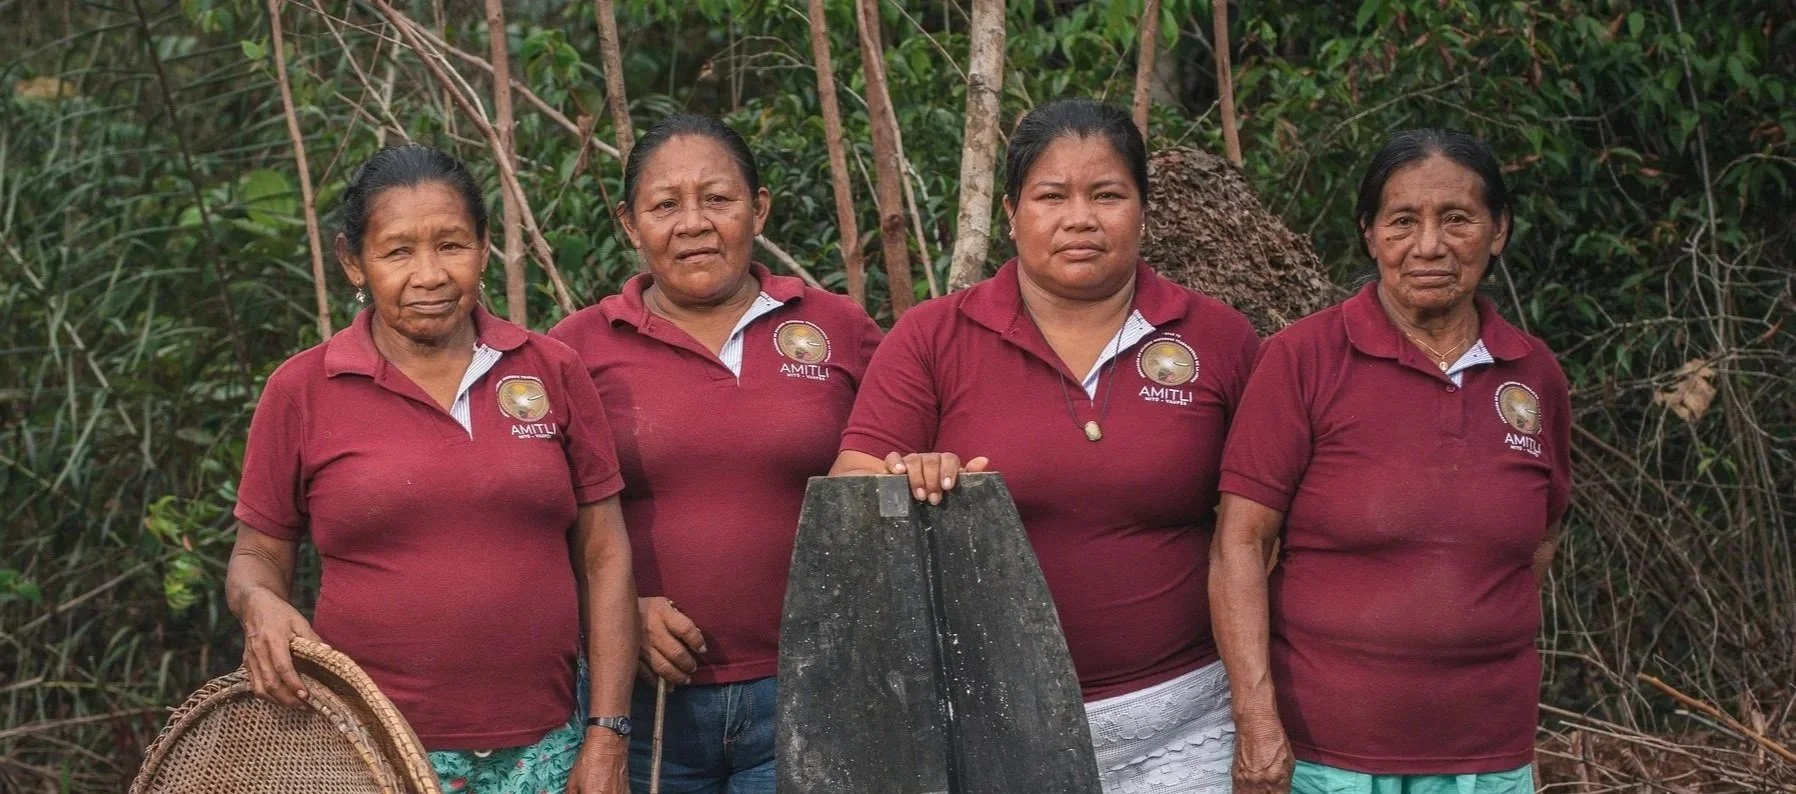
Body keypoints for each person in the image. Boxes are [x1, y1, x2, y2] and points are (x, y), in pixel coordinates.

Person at [831, 98, 1262, 793]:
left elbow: (1266, 524)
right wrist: (905, 478)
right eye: (1051, 196)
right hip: (991, 726)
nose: (1080, 218)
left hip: (1187, 728)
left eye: (1108, 195)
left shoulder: (1218, 339)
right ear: (1011, 212)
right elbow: (850, 495)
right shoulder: (935, 336)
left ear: (1144, 208)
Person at [225, 144, 637, 794]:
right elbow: (257, 556)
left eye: (451, 245)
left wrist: (608, 733)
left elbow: (605, 555)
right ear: (352, 261)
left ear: (482, 246)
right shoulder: (301, 390)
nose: (429, 275)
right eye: (396, 252)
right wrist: (260, 606)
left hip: (548, 752)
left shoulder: (551, 370)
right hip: (368, 755)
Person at [1210, 128, 1571, 794]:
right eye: (1403, 221)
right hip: (1329, 755)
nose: (1430, 245)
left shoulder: (1533, 373)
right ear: (1371, 235)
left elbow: (1539, 542)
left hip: (1489, 754)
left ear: (1498, 231)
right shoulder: (1304, 360)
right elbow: (1241, 542)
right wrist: (1257, 722)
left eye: (1457, 219)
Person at [550, 114, 882, 794]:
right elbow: (533, 521)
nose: (694, 223)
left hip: (816, 689)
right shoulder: (574, 350)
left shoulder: (837, 328)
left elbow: (895, 473)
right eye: (665, 205)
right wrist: (614, 613)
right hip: (646, 708)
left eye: (718, 199)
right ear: (629, 224)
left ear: (758, 208)